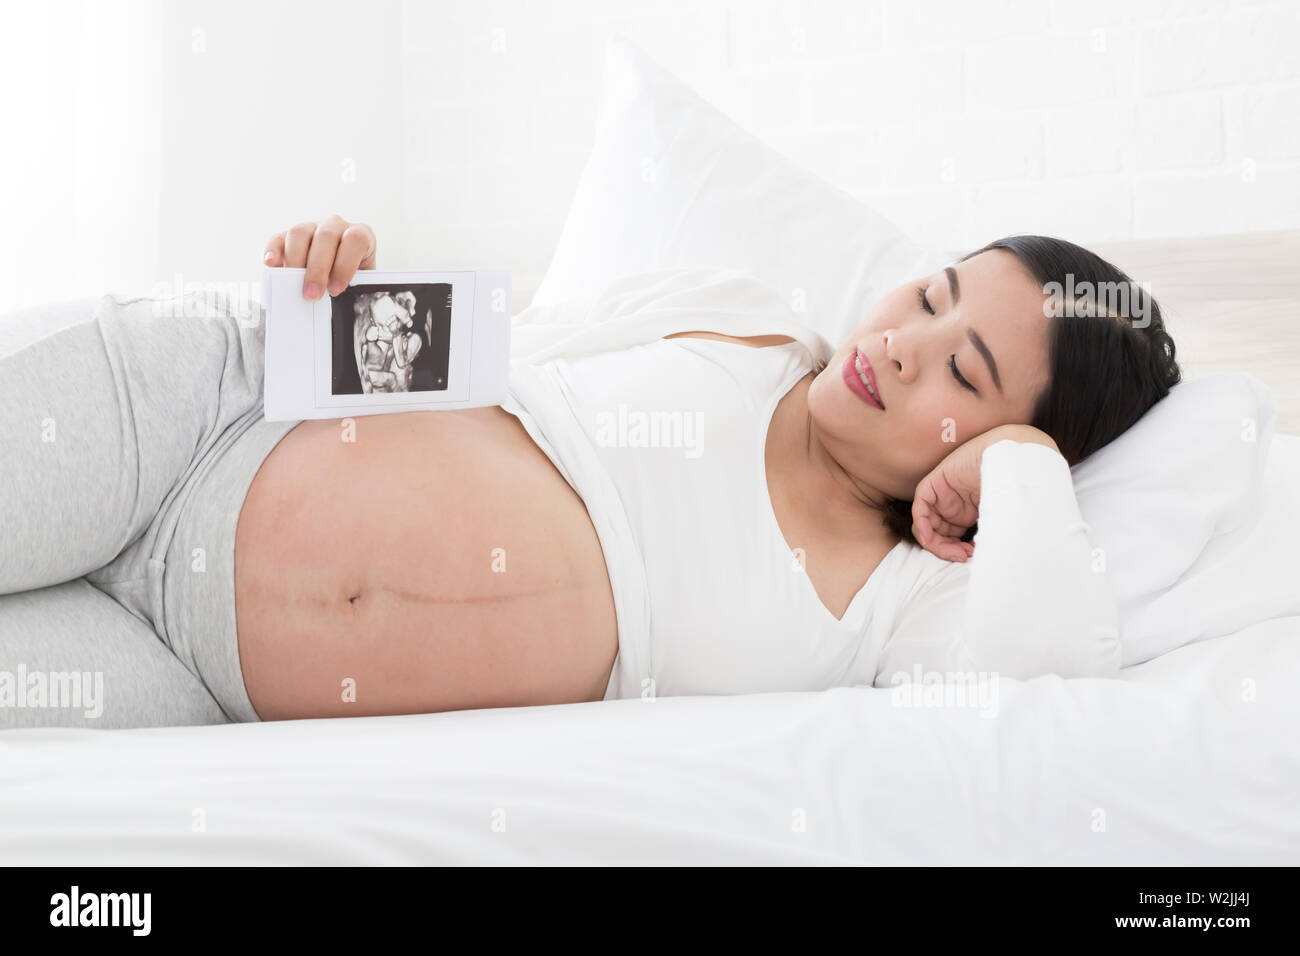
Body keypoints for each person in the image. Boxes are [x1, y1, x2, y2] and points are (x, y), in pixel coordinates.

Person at [0, 215, 1180, 728]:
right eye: (928, 295)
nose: (902, 345)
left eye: (962, 377)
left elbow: (1057, 666)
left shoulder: (897, 610)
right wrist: (349, 267)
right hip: (199, 411)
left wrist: (1021, 463)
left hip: (204, 679)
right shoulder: (741, 326)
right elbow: (484, 341)